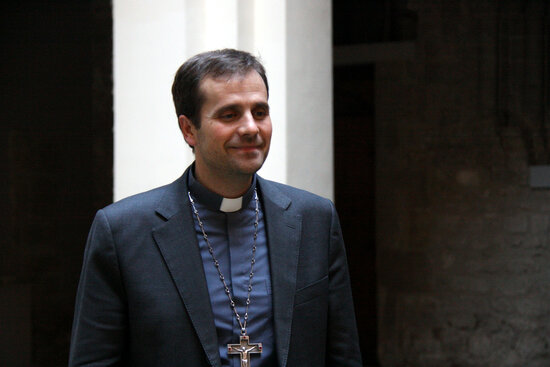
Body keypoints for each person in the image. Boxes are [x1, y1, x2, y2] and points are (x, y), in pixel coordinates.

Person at [69, 49, 362, 367]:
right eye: (230, 114)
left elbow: (343, 354)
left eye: (260, 112)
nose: (251, 127)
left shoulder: (314, 219)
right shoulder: (122, 231)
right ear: (189, 130)